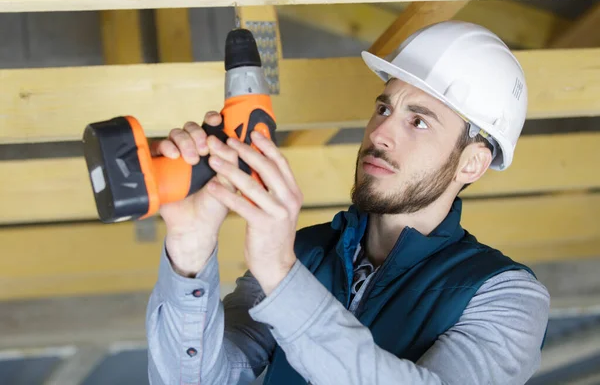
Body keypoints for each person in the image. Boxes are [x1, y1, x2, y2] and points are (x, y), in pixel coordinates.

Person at [145, 20, 550, 385]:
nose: (380, 133)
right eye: (383, 108)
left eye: (419, 121)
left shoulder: (505, 296)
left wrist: (284, 279)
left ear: (472, 163)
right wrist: (190, 248)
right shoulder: (300, 252)